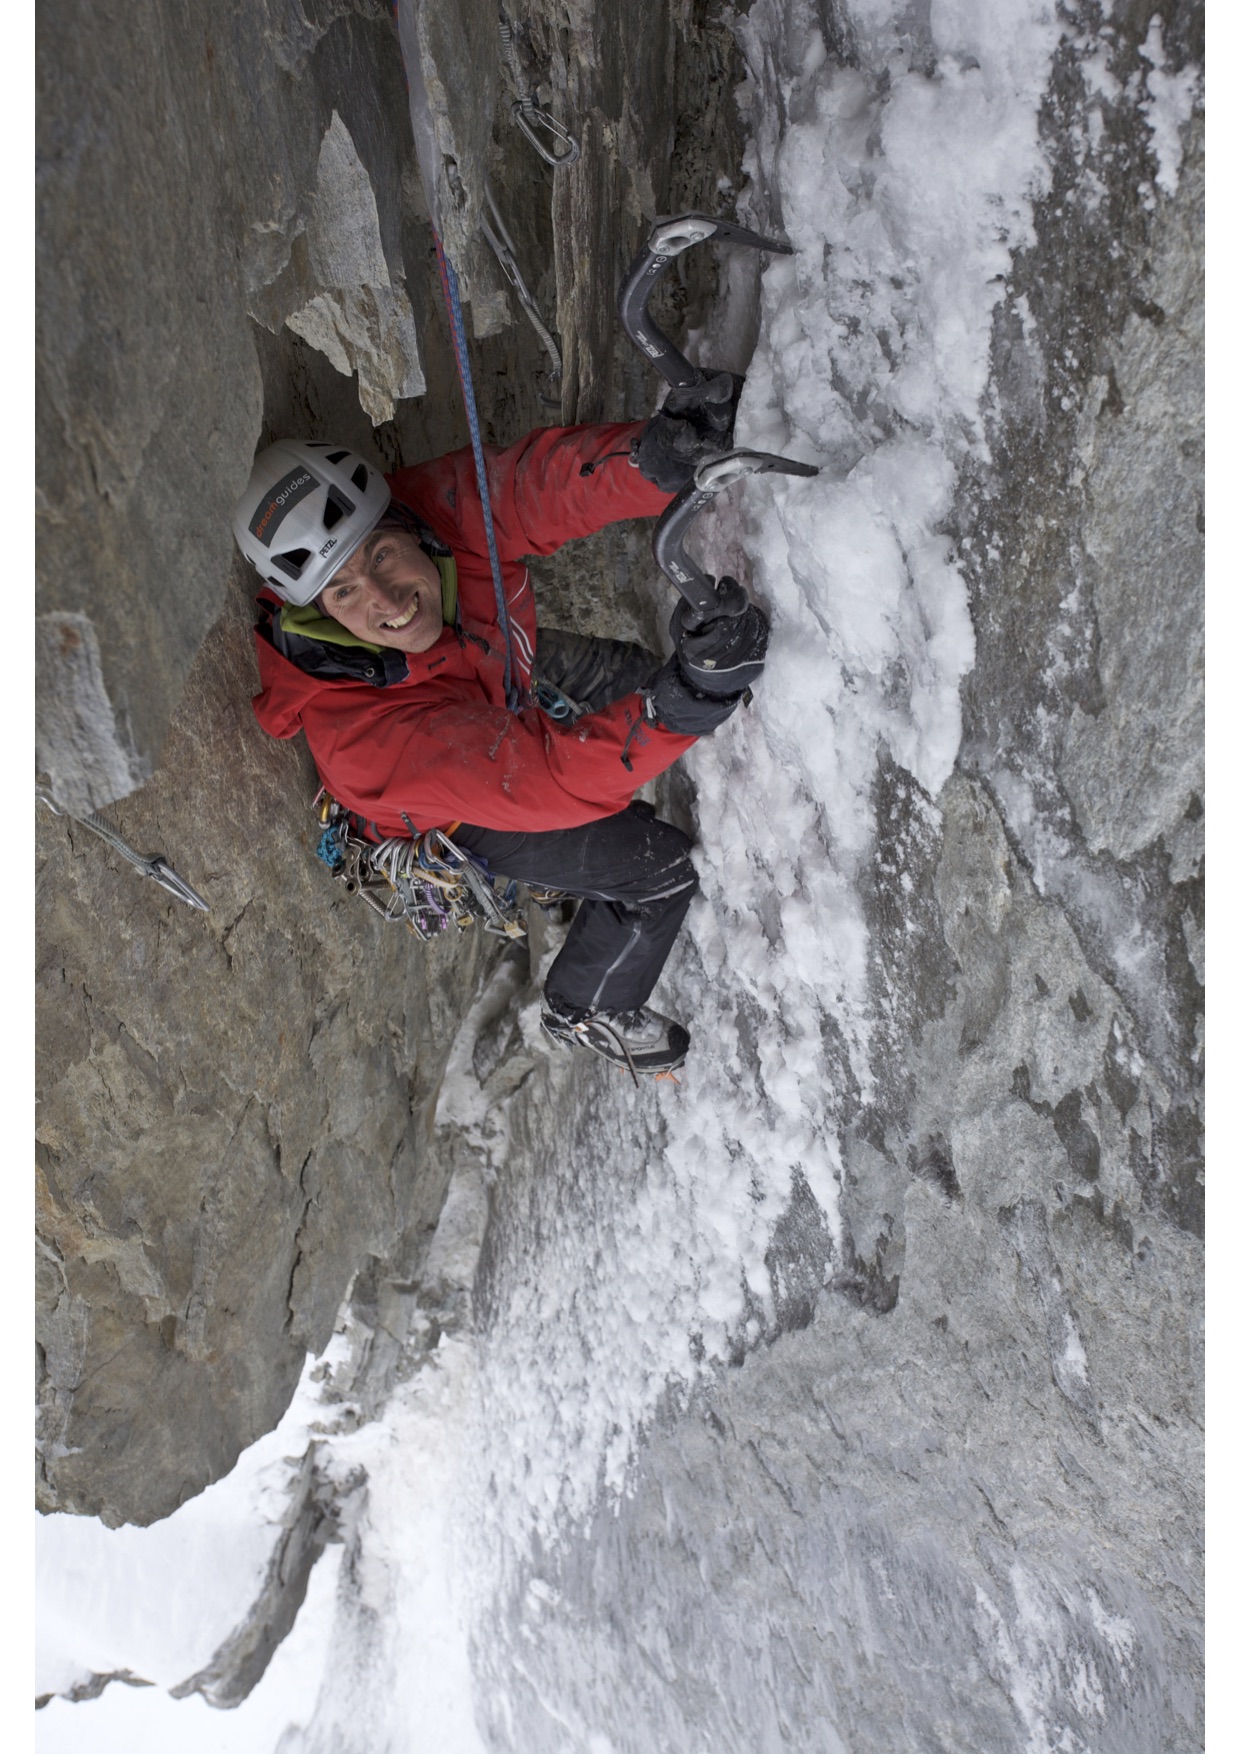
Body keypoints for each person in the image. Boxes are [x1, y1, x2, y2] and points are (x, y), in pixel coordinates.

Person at [233, 389, 768, 1076]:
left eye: (383, 555)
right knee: (656, 868)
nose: (385, 599)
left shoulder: (432, 511)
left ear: (404, 522)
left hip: (487, 671)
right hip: (452, 805)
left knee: (639, 682)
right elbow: (543, 777)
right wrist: (689, 700)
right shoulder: (368, 739)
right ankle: (586, 1007)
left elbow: (528, 490)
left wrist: (649, 461)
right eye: (344, 594)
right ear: (318, 614)